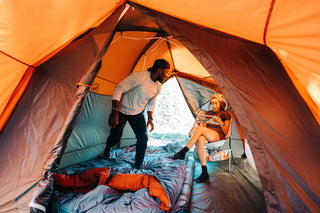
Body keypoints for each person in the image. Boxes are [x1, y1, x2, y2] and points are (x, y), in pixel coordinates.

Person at [104, 59, 170, 169]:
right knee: (115, 137)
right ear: (159, 70)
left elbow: (152, 102)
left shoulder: (158, 86)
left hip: (137, 112)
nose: (167, 75)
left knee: (143, 139)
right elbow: (119, 88)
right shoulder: (140, 77)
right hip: (122, 111)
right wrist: (114, 111)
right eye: (166, 72)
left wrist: (150, 117)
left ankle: (138, 165)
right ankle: (107, 149)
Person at [173, 93, 231, 183]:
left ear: (220, 103)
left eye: (216, 103)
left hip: (218, 135)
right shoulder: (208, 113)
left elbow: (226, 132)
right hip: (207, 134)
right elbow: (203, 128)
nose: (214, 105)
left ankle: (183, 152)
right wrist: (202, 121)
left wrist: (220, 123)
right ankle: (204, 172)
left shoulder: (225, 114)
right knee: (200, 139)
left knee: (200, 129)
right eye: (212, 103)